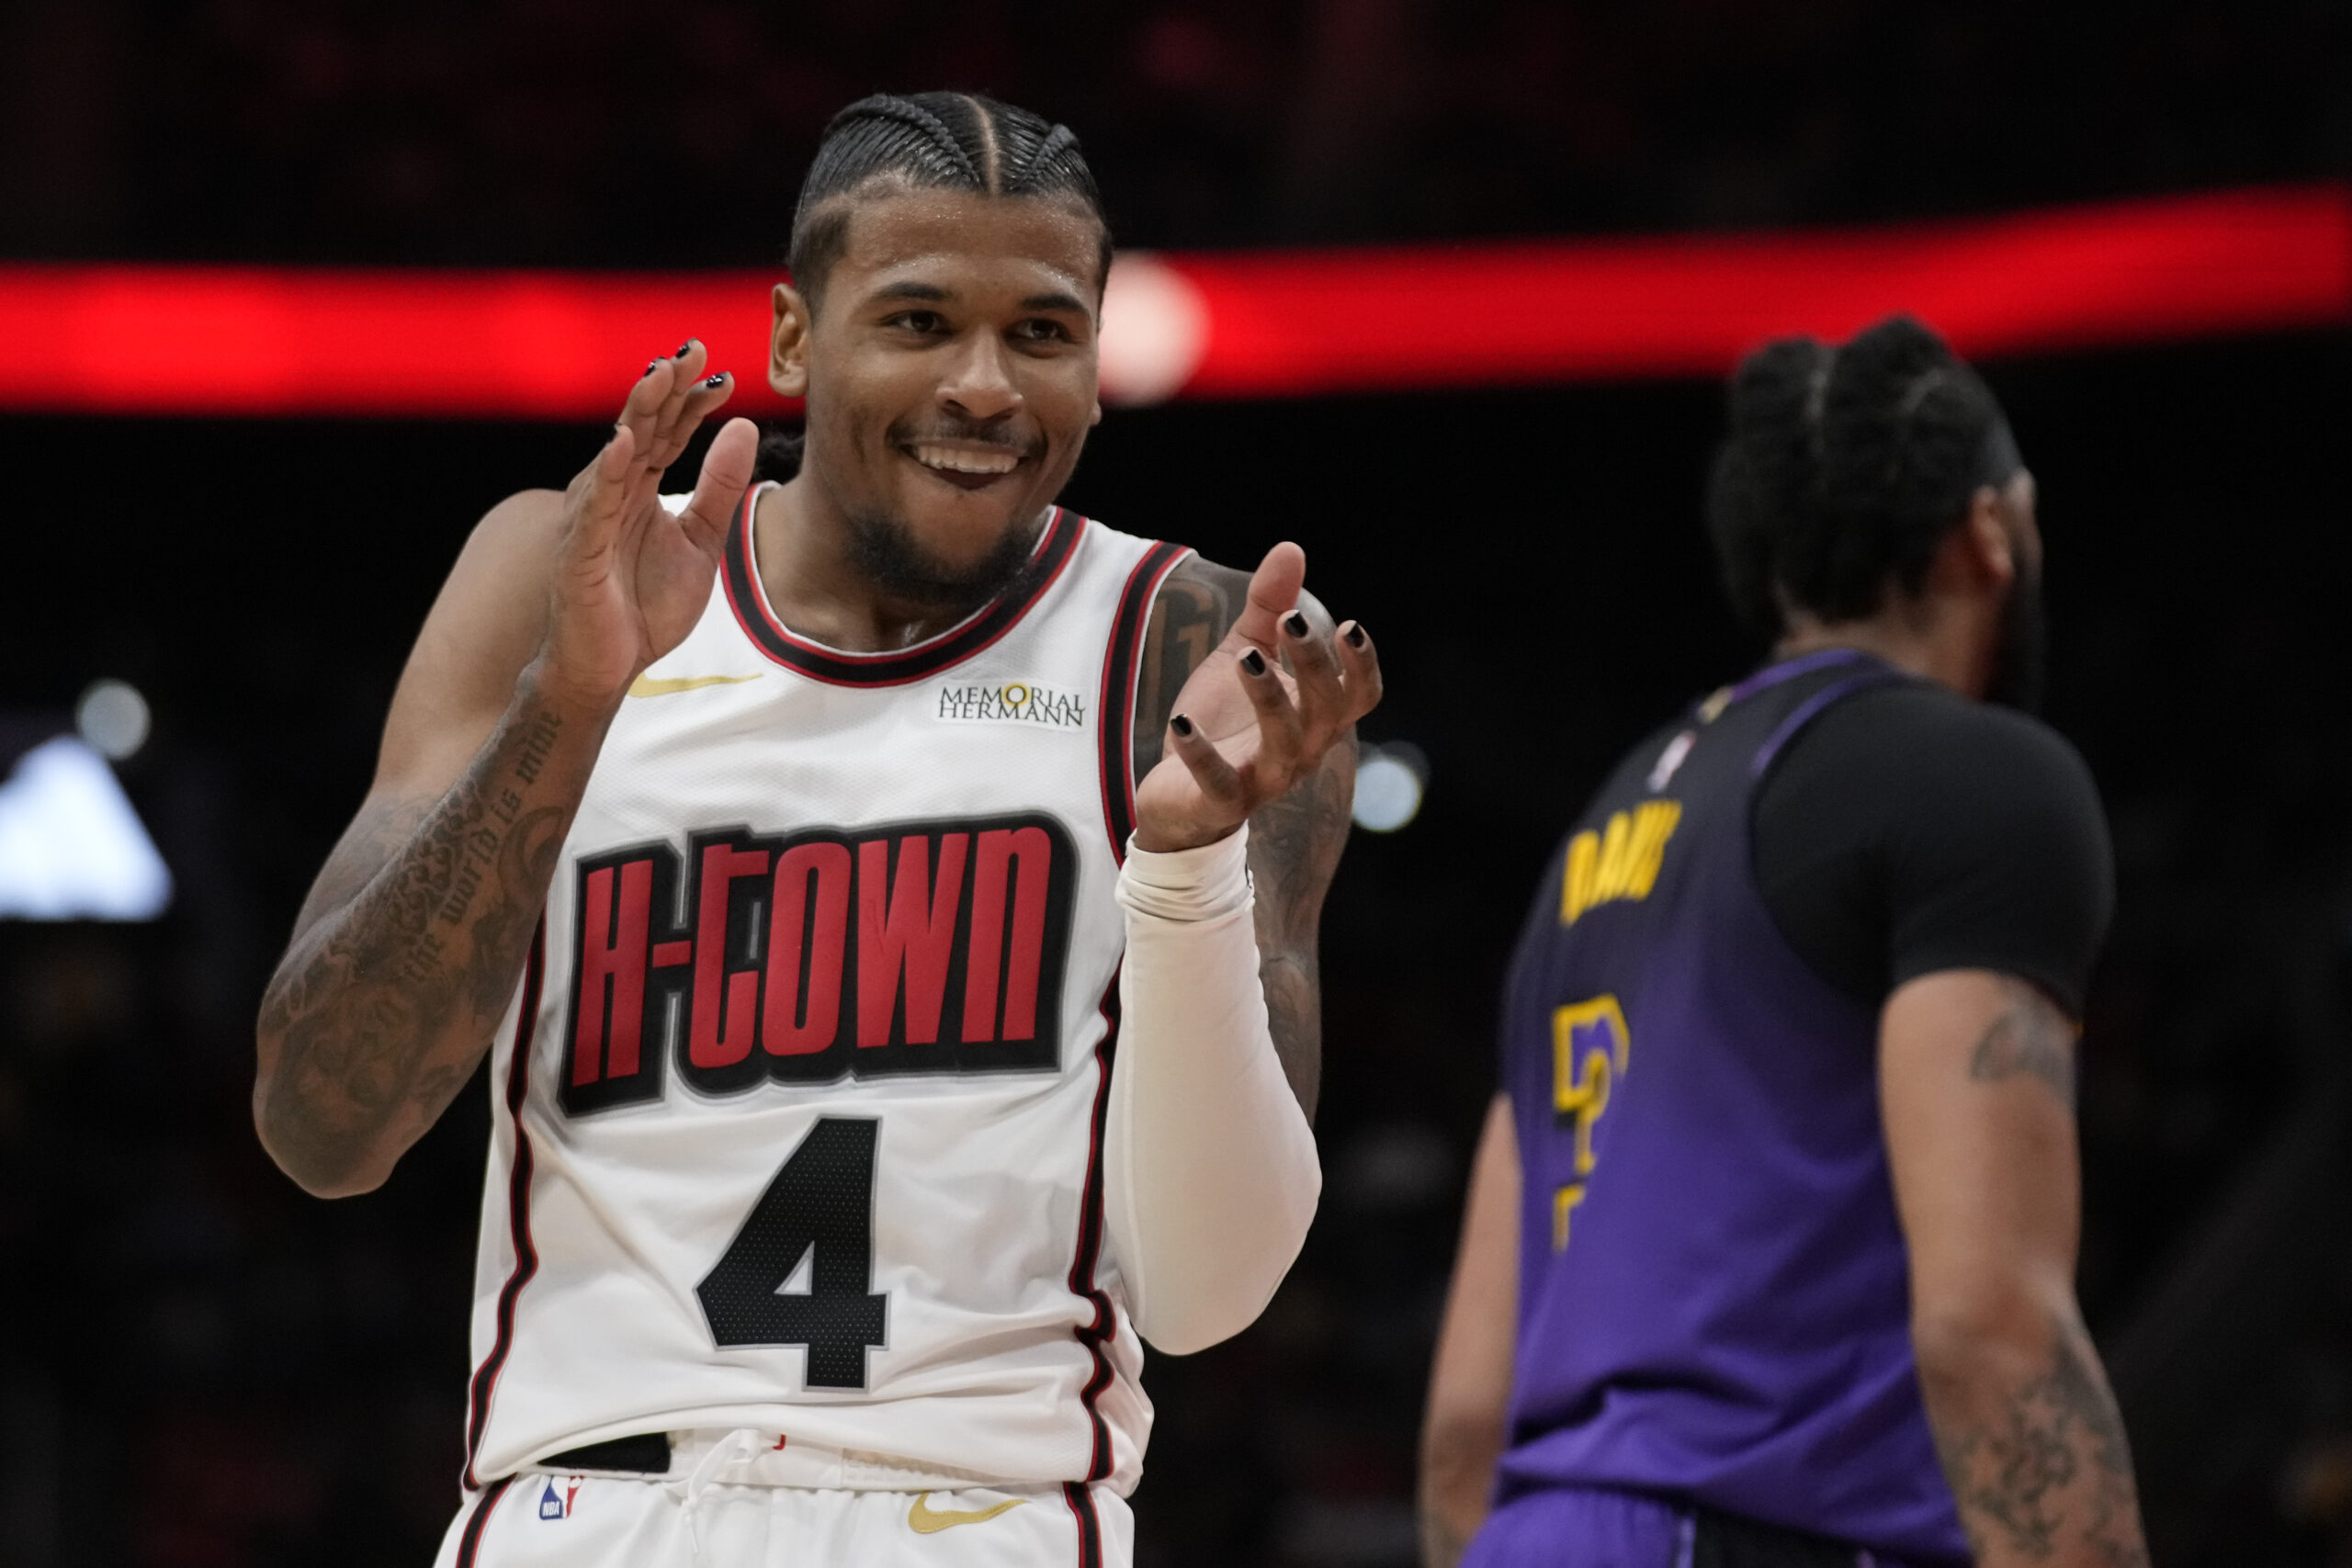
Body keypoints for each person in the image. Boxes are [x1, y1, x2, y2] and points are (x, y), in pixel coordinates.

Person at [251, 92, 1379, 1568]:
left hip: (981, 1510)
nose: (985, 385)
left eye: (1042, 333)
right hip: (579, 1504)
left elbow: (1210, 1294)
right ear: (792, 341)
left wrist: (1183, 872)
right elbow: (322, 1127)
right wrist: (567, 712)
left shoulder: (1199, 655)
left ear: (1098, 366)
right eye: (918, 322)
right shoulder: (562, 573)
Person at [1418, 316, 2149, 1568]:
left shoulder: (1600, 833)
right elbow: (1989, 1326)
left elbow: (1467, 1417)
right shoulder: (1983, 781)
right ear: (1986, 535)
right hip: (1762, 1530)